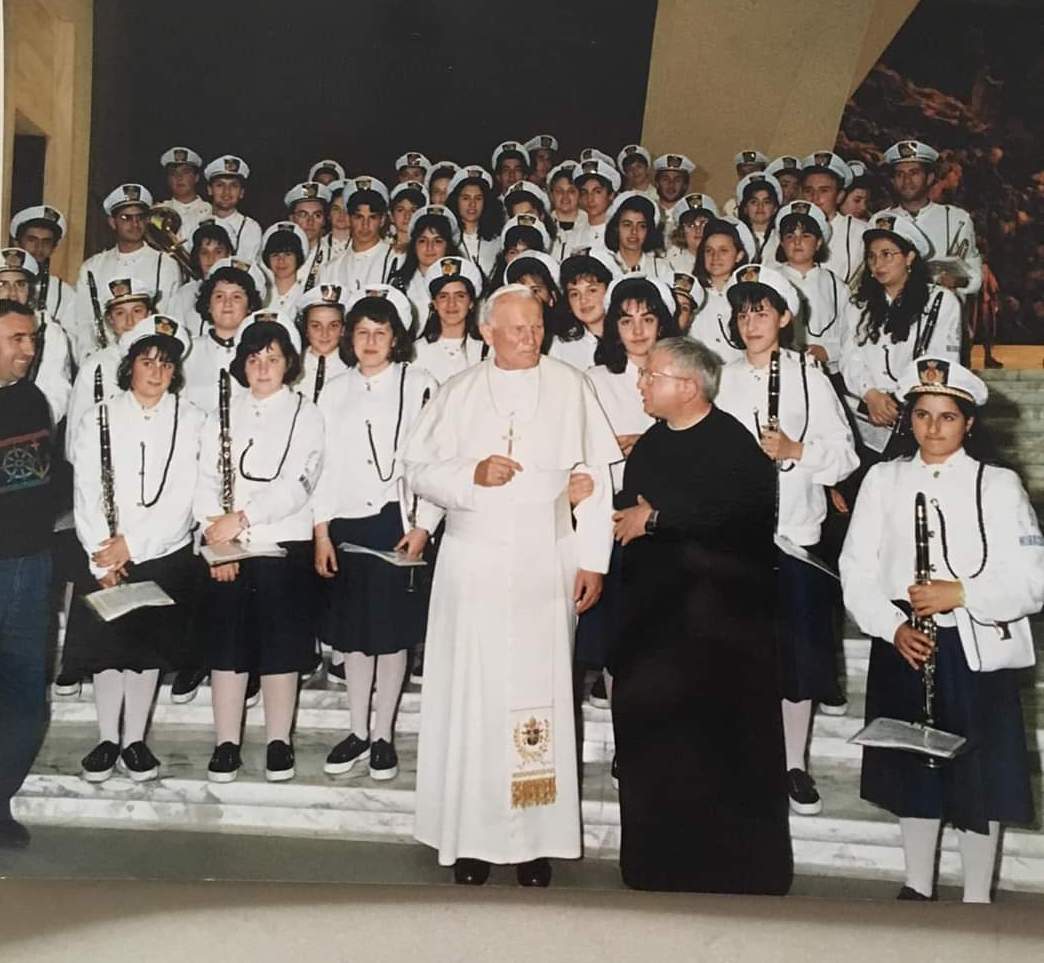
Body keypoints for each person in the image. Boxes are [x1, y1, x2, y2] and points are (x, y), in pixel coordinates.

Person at [404, 284, 618, 887]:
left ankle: (532, 840)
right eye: (516, 329)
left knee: (537, 699)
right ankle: (470, 837)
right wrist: (469, 474)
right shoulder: (459, 391)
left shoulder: (571, 386)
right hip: (471, 562)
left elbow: (594, 481)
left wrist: (593, 560)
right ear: (487, 333)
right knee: (472, 698)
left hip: (545, 562)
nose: (531, 338)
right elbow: (417, 469)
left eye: (536, 327)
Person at [839, 357, 1042, 903]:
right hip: (908, 641)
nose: (933, 428)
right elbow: (855, 569)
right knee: (913, 768)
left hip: (973, 647)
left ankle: (977, 895)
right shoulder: (883, 478)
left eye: (947, 417)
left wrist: (963, 593)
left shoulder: (998, 484)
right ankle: (917, 884)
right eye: (923, 415)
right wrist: (890, 626)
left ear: (968, 423)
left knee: (980, 776)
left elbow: (1033, 580)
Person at [609, 334, 791, 893]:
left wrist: (660, 520)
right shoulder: (652, 445)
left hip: (721, 639)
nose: (641, 383)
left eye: (651, 376)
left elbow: (738, 518)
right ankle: (656, 869)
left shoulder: (735, 446)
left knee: (723, 757)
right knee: (654, 754)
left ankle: (740, 875)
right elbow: (631, 515)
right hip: (655, 628)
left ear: (688, 387)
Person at [715, 264, 858, 815]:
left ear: (784, 316)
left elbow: (843, 456)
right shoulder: (721, 377)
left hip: (793, 539)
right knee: (737, 653)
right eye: (743, 311)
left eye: (763, 311)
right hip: (734, 541)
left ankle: (793, 762)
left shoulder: (807, 376)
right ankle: (742, 757)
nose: (752, 322)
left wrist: (797, 450)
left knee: (795, 659)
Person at [72, 316, 204, 783]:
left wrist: (137, 543)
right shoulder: (100, 415)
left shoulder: (192, 420)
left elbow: (187, 496)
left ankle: (135, 742)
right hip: (105, 552)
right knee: (109, 649)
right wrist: (100, 553)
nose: (155, 371)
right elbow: (85, 488)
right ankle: (107, 738)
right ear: (130, 367)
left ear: (176, 372)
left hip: (163, 550)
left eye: (165, 364)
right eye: (146, 361)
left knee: (147, 649)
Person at [194, 314, 324, 783]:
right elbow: (204, 478)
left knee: (280, 647)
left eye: (272, 358)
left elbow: (299, 483)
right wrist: (219, 538)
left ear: (288, 362)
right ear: (241, 365)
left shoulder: (306, 413)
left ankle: (277, 742)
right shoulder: (220, 414)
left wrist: (244, 519)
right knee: (227, 646)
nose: (263, 367)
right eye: (254, 358)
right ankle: (226, 743)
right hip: (227, 545)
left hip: (281, 541)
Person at [314, 286, 438, 781]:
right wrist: (321, 531)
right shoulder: (333, 390)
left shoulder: (421, 382)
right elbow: (321, 466)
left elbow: (433, 459)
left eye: (380, 333)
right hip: (346, 522)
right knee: (355, 637)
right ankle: (358, 730)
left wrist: (425, 525)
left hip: (397, 521)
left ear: (396, 338)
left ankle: (384, 734)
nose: (370, 341)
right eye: (361, 332)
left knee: (390, 637)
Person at [582, 275, 679, 733]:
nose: (638, 330)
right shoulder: (595, 381)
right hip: (616, 516)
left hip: (673, 515)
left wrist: (645, 444)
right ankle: (627, 740)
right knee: (620, 638)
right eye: (626, 320)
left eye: (648, 318)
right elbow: (584, 452)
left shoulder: (687, 374)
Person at [0, 300, 57, 848]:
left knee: (22, 695)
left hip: (23, 566)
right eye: (18, 338)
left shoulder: (31, 401)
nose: (29, 349)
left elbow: (28, 491)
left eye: (32, 339)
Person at [840, 211, 961, 458]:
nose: (878, 264)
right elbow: (849, 357)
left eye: (887, 254)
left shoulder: (940, 301)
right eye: (872, 257)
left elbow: (940, 361)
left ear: (910, 257)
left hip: (918, 416)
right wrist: (871, 395)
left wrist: (895, 401)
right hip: (867, 416)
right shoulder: (858, 304)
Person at [72, 184, 181, 361]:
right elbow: (84, 321)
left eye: (140, 217)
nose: (135, 224)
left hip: (150, 357)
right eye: (126, 218)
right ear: (112, 222)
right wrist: (92, 358)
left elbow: (169, 316)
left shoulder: (165, 264)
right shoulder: (92, 267)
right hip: (105, 356)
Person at [66, 277, 155, 460]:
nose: (130, 321)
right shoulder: (95, 366)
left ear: (150, 314)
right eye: (120, 313)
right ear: (110, 320)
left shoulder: (166, 363)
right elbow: (76, 431)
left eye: (137, 311)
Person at [881, 140, 983, 299]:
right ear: (893, 180)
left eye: (914, 173)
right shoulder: (880, 221)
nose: (907, 180)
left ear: (929, 178)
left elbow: (975, 275)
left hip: (942, 313)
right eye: (900, 174)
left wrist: (959, 281)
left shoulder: (957, 219)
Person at [774, 200, 851, 373]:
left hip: (828, 371)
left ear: (818, 243)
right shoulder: (770, 280)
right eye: (790, 236)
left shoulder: (835, 285)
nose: (797, 241)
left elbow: (850, 333)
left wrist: (828, 351)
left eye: (806, 236)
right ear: (781, 242)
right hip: (783, 369)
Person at [182, 258, 266, 416]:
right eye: (219, 296)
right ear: (208, 304)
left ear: (250, 306)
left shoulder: (263, 353)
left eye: (236, 297)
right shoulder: (188, 352)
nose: (227, 303)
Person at [0, 247, 71, 426]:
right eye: (2, 285)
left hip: (25, 426)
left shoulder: (47, 331)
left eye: (20, 284)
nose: (12, 293)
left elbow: (56, 392)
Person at [689, 217, 755, 364]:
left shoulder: (749, 295)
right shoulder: (692, 295)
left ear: (739, 255)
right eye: (709, 251)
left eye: (723, 251)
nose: (715, 257)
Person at [413, 256, 485, 384]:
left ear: (471, 303)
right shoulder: (416, 352)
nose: (451, 304)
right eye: (443, 296)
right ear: (434, 303)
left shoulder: (485, 350)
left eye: (460, 296)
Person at [800, 151, 867, 288]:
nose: (815, 198)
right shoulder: (785, 231)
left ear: (839, 196)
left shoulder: (860, 232)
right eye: (808, 191)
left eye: (824, 191)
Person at [8, 204, 75, 334]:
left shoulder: (65, 293)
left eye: (46, 242)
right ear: (17, 242)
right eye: (32, 240)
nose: (39, 247)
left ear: (54, 247)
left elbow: (72, 339)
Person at [548, 249, 619, 370]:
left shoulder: (629, 336)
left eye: (592, 290)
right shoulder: (560, 348)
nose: (583, 300)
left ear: (608, 291)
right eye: (574, 294)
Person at [389, 205, 462, 323]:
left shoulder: (460, 284)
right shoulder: (399, 284)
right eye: (423, 240)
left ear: (448, 246)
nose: (429, 247)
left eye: (437, 241)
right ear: (414, 245)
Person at [322, 177, 395, 292]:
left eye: (372, 217)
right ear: (349, 218)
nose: (365, 225)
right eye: (358, 217)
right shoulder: (331, 268)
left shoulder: (396, 260)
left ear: (382, 220)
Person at [168, 220, 234, 336]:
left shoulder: (240, 292)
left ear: (229, 254)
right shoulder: (184, 295)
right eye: (204, 252)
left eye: (218, 252)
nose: (211, 258)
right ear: (196, 257)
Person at [295, 283, 350, 403]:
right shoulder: (293, 363)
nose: (325, 334)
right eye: (316, 326)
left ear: (343, 329)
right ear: (305, 329)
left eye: (333, 325)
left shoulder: (351, 367)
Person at [446, 165, 502, 281]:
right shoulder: (446, 238)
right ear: (456, 201)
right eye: (466, 198)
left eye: (478, 198)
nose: (472, 204)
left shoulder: (498, 240)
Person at [600, 192, 672, 279]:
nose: (634, 231)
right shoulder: (604, 266)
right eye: (627, 224)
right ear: (616, 228)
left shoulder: (661, 269)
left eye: (642, 226)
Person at [203, 155, 262, 261]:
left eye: (234, 186)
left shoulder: (251, 228)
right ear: (209, 190)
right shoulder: (195, 223)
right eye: (220, 185)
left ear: (242, 193)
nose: (226, 192)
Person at [157, 146, 212, 247]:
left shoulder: (210, 211)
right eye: (173, 173)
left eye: (185, 172)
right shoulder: (158, 212)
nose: (179, 177)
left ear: (196, 177)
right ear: (168, 179)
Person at [284, 181, 332, 285]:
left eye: (317, 215)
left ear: (324, 220)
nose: (310, 222)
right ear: (292, 218)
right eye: (303, 215)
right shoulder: (278, 253)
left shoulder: (334, 255)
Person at [259, 220, 309, 316]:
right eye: (275, 255)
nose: (281, 261)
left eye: (288, 254)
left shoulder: (307, 296)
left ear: (298, 257)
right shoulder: (261, 295)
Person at [570, 159, 620, 252]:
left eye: (597, 192)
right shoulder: (575, 232)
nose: (590, 199)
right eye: (584, 192)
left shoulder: (620, 233)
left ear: (611, 195)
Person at [666, 192, 719, 275]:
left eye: (703, 223)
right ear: (681, 231)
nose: (698, 230)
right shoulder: (671, 265)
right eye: (690, 225)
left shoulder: (724, 261)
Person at [736, 172, 782, 263]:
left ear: (775, 208)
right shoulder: (735, 236)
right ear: (745, 208)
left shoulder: (782, 238)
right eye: (754, 202)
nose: (760, 207)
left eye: (766, 202)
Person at [546, 161, 588, 261]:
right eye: (559, 191)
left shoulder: (591, 226)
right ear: (551, 195)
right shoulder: (543, 225)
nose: (565, 197)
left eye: (571, 191)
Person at [387, 181, 429, 277]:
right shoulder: (381, 247)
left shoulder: (427, 250)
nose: (407, 216)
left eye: (413, 210)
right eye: (400, 210)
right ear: (391, 215)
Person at [652, 153, 695, 225]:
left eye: (677, 180)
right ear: (657, 183)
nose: (671, 184)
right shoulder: (648, 210)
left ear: (685, 185)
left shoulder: (692, 215)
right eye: (665, 179)